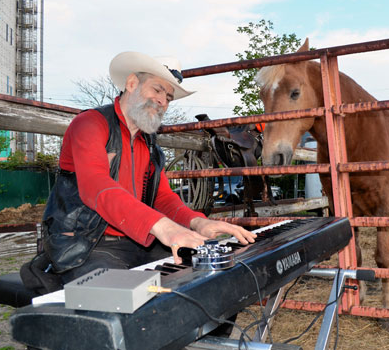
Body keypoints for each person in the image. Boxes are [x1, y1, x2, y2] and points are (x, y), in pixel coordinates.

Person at [26, 51, 256, 287]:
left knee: (213, 280)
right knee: (124, 302)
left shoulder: (150, 146)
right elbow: (96, 187)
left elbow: (163, 198)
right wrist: (164, 226)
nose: (163, 101)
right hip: (86, 244)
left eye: (168, 97)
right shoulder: (90, 124)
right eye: (157, 90)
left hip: (138, 241)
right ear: (132, 83)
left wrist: (199, 223)